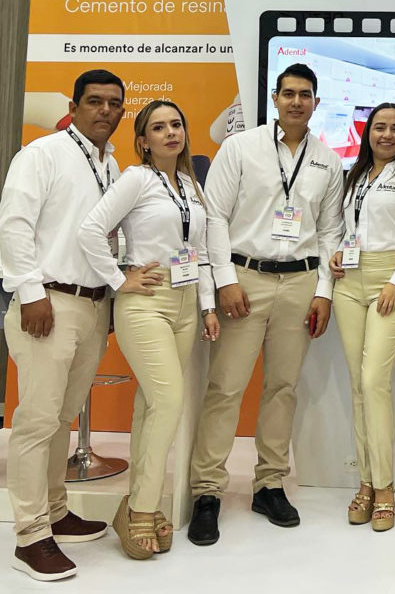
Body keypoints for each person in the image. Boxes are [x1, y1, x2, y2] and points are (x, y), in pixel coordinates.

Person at [0, 69, 159, 582]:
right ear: (74, 106)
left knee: (62, 417)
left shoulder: (111, 165)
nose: (105, 111)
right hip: (48, 301)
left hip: (93, 304)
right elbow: (14, 225)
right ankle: (30, 536)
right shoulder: (42, 154)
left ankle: (54, 509)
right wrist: (29, 292)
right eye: (94, 101)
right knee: (36, 420)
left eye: (114, 103)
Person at [188, 63, 344, 545]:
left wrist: (323, 292)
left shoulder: (327, 161)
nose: (297, 101)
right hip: (246, 279)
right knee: (225, 388)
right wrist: (225, 280)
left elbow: (331, 231)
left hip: (300, 283)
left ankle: (270, 484)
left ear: (316, 102)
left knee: (283, 388)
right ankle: (207, 491)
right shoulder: (241, 148)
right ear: (274, 98)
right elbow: (215, 217)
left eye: (305, 94)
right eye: (288, 93)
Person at [78, 99, 218, 559]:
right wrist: (120, 279)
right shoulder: (136, 179)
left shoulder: (190, 185)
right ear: (143, 141)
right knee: (169, 399)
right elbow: (91, 230)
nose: (170, 132)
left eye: (176, 124)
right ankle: (142, 508)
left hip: (185, 304)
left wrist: (207, 305)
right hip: (146, 303)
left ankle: (139, 501)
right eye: (158, 127)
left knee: (150, 406)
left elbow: (199, 251)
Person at [327, 103, 395, 532]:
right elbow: (342, 230)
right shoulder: (353, 176)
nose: (387, 135)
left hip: (392, 280)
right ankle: (366, 484)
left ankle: (387, 488)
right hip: (349, 283)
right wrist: (337, 253)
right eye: (379, 127)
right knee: (358, 384)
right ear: (367, 132)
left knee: (375, 380)